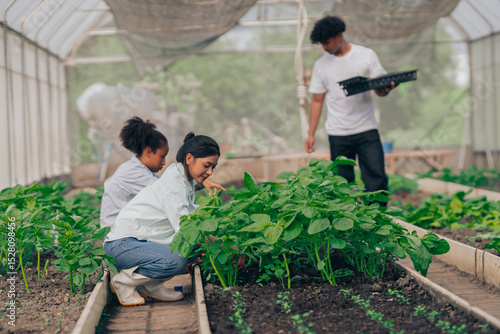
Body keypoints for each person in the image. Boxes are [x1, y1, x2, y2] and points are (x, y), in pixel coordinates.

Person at [103, 133, 223, 306]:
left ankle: (150, 286)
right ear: (189, 158)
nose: (210, 172)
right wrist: (224, 244)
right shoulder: (174, 186)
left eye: (213, 167)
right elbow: (187, 230)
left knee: (194, 249)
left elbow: (193, 227)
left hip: (138, 244)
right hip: (122, 246)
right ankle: (123, 282)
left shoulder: (182, 179)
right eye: (207, 165)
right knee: (176, 259)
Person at [305, 16, 396, 204]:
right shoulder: (321, 65)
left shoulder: (366, 55)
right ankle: (347, 227)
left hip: (366, 129)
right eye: (321, 43)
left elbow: (381, 89)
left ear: (339, 36)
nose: (324, 47)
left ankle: (378, 220)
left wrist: (384, 90)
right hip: (338, 132)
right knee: (341, 182)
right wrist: (311, 133)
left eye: (327, 42)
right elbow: (316, 100)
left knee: (376, 178)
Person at [100, 117, 224, 230]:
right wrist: (202, 180)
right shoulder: (135, 173)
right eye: (162, 156)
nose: (164, 162)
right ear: (149, 152)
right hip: (117, 233)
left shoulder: (140, 170)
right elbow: (169, 189)